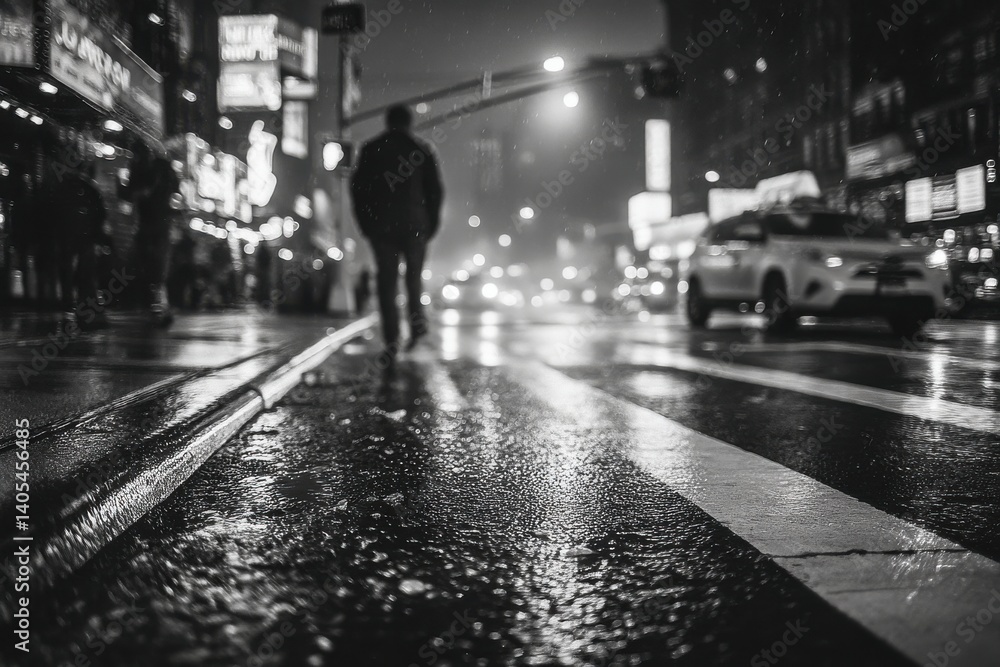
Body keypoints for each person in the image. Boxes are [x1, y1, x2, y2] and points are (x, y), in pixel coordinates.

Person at [351, 104, 444, 357]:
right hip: (415, 227)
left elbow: (359, 191)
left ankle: (391, 338)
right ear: (409, 122)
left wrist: (366, 224)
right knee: (414, 279)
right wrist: (430, 225)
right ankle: (416, 327)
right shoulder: (422, 150)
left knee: (387, 282)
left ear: (387, 122)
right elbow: (435, 192)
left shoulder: (371, 150)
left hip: (382, 227)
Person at [131, 144, 180, 326]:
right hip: (160, 222)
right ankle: (158, 303)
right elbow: (175, 194)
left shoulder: (143, 169)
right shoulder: (166, 172)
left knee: (148, 264)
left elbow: (135, 194)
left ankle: (153, 304)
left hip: (149, 223)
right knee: (158, 267)